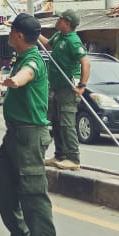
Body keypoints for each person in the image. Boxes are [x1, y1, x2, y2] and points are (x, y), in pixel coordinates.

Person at [0, 14, 58, 236]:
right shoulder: (21, 57)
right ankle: (21, 233)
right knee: (4, 181)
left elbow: (27, 74)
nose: (9, 34)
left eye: (11, 31)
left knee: (32, 191)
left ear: (19, 36)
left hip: (30, 134)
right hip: (15, 134)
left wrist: (15, 81)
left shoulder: (32, 59)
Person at [37, 9, 91, 171]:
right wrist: (35, 33)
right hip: (56, 87)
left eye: (60, 18)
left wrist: (82, 85)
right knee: (57, 122)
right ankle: (59, 155)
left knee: (67, 124)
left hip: (68, 88)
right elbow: (47, 44)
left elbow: (86, 63)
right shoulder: (59, 36)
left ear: (66, 23)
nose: (57, 20)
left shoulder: (73, 41)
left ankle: (74, 159)